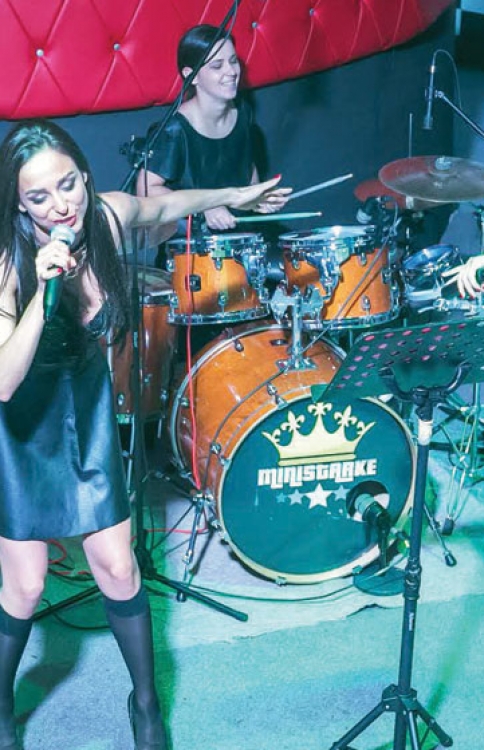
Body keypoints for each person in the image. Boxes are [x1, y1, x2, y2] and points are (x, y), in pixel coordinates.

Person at [0, 118, 289, 750]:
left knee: (118, 569)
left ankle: (146, 703)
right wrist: (43, 291)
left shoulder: (105, 219)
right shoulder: (7, 261)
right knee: (25, 585)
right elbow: (3, 382)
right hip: (22, 432)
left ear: (84, 176)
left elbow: (162, 206)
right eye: (39, 197)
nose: (61, 205)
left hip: (86, 414)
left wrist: (233, 197)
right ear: (19, 206)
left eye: (68, 184)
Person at [136, 24, 263, 237]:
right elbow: (146, 190)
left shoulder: (243, 113)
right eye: (217, 66)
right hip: (190, 247)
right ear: (191, 76)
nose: (231, 71)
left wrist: (258, 197)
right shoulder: (173, 130)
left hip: (239, 239)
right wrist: (204, 206)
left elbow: (248, 169)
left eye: (233, 61)